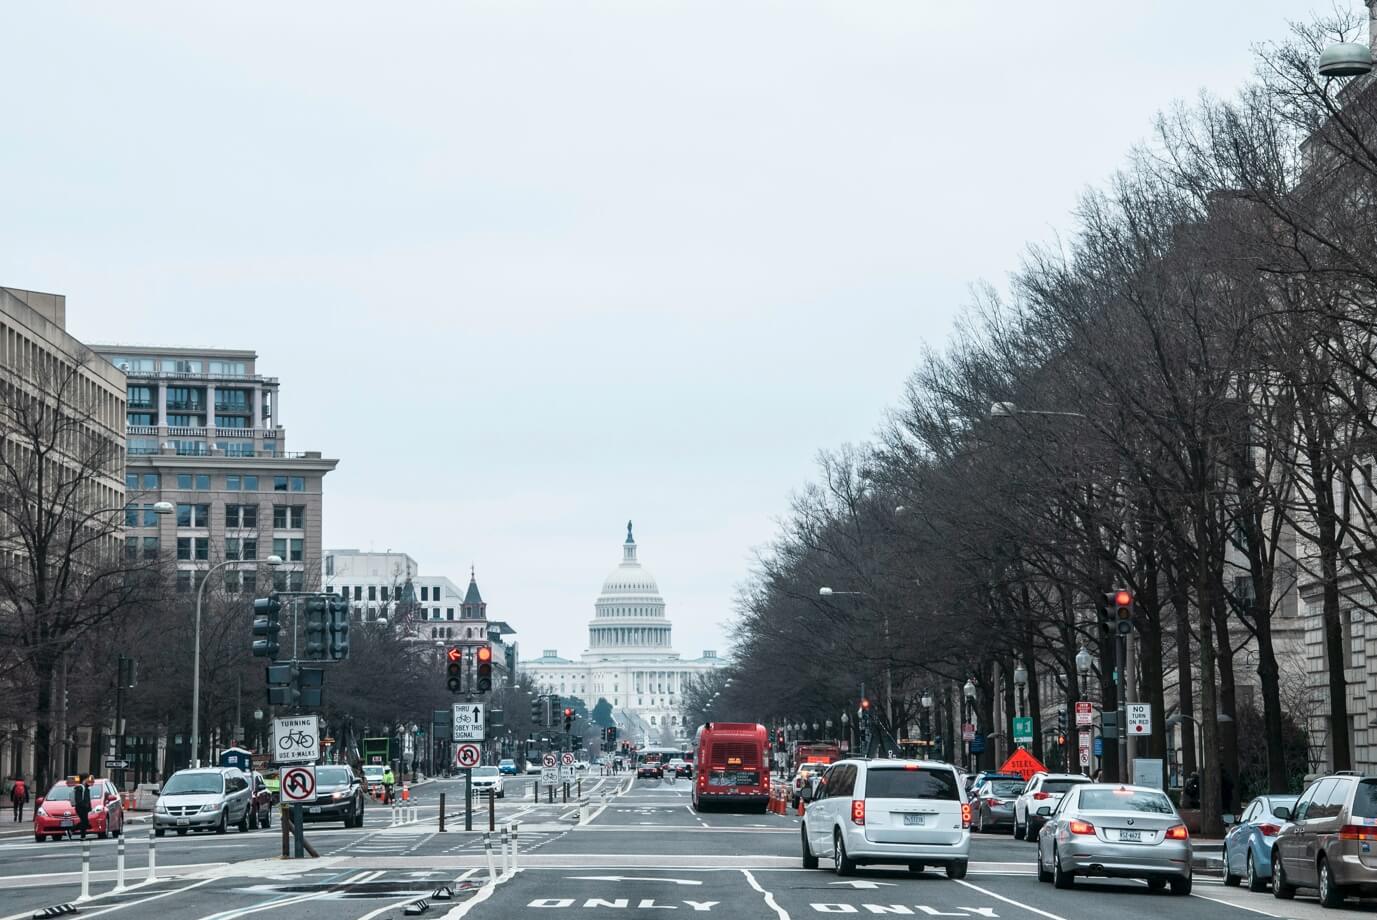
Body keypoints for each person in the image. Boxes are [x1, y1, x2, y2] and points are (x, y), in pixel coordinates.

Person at [72, 776, 93, 840]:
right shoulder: (79, 788)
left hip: (85, 808)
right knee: (85, 821)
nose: (88, 781)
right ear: (83, 780)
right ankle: (81, 835)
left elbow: (88, 799)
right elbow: (78, 799)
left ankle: (81, 835)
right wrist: (84, 805)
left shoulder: (86, 788)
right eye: (87, 779)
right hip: (80, 807)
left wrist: (89, 807)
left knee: (84, 822)